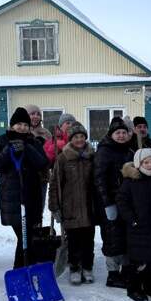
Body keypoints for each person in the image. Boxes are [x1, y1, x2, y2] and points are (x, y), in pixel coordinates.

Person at [0, 107, 49, 268]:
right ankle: (21, 270)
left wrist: (27, 148)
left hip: (31, 195)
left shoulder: (33, 142)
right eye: (18, 124)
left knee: (27, 236)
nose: (22, 127)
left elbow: (43, 163)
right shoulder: (2, 141)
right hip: (13, 197)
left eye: (25, 124)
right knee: (25, 236)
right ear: (12, 125)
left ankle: (25, 268)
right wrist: (8, 151)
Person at [117, 148, 151, 301]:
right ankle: (133, 288)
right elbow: (122, 201)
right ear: (138, 164)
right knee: (138, 261)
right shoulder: (130, 181)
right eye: (146, 162)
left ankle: (149, 285)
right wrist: (132, 219)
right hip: (138, 228)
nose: (150, 165)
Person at [48, 122, 96, 285]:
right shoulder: (63, 158)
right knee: (74, 241)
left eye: (82, 136)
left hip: (89, 207)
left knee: (89, 241)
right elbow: (54, 184)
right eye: (76, 137)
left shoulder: (91, 156)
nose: (80, 140)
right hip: (70, 208)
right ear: (71, 139)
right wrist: (54, 206)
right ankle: (75, 268)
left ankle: (88, 267)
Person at [94, 117, 134, 288]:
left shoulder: (130, 151)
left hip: (126, 202)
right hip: (110, 202)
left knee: (126, 236)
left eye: (124, 132)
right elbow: (99, 179)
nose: (121, 135)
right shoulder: (104, 151)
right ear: (111, 135)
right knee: (112, 237)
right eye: (118, 133)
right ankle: (112, 274)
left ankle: (126, 270)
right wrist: (107, 203)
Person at [25, 104, 53, 218]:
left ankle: (38, 231)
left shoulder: (46, 133)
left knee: (38, 208)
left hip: (42, 176)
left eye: (38, 114)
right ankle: (26, 234)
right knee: (25, 209)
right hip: (25, 176)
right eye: (32, 114)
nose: (35, 116)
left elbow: (51, 155)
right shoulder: (21, 130)